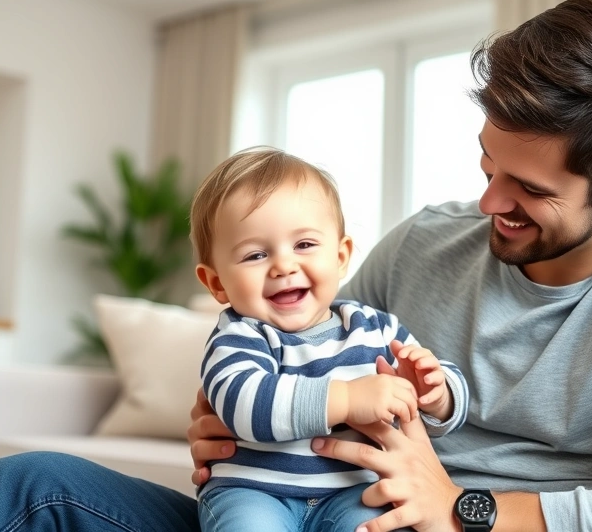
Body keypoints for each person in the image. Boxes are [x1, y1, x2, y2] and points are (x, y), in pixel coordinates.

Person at [0, 0, 592, 532]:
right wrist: (216, 421)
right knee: (31, 488)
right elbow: (293, 347)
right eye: (486, 166)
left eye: (528, 190)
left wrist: (463, 511)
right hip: (313, 510)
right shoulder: (428, 241)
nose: (488, 206)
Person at [189, 147, 468, 531]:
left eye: (304, 245)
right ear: (217, 283)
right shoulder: (238, 335)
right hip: (254, 492)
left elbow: (436, 379)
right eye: (255, 255)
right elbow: (243, 402)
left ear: (340, 256)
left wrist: (436, 393)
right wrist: (348, 399)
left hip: (354, 493)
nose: (284, 266)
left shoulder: (373, 326)